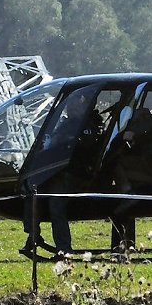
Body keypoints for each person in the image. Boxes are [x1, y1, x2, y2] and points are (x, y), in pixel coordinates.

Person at [20, 91, 103, 257]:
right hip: (58, 172)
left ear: (83, 104)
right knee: (32, 191)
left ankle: (64, 248)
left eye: (75, 102)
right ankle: (33, 234)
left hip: (77, 175)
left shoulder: (87, 125)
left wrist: (64, 143)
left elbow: (84, 149)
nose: (71, 107)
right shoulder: (66, 124)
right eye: (69, 103)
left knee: (56, 203)